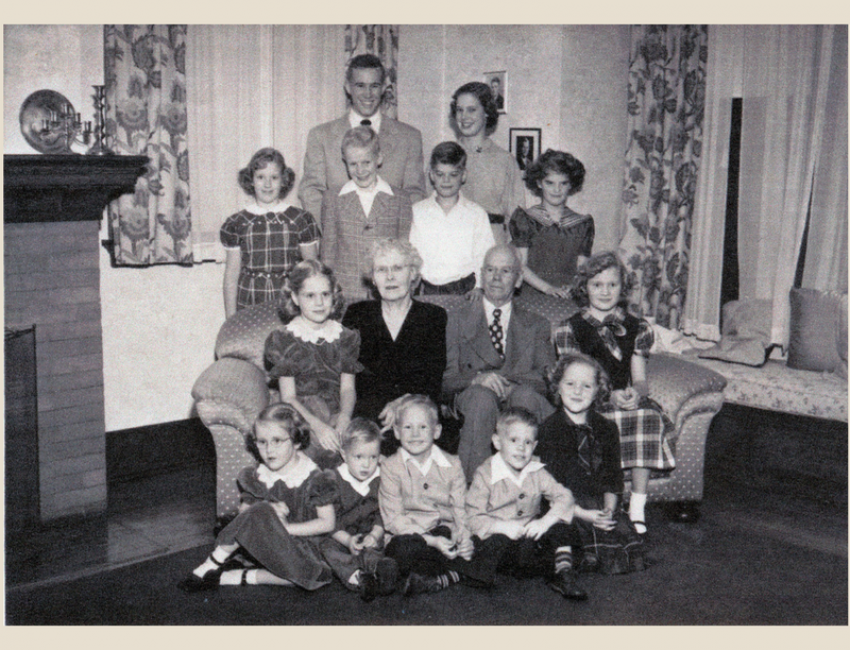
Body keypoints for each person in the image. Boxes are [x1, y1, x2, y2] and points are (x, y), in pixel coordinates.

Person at [553, 251, 676, 535]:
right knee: (604, 422)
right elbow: (575, 384)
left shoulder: (637, 327)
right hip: (588, 401)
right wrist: (608, 397)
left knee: (646, 416)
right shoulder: (570, 329)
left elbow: (640, 378)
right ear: (584, 288)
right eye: (597, 285)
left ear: (623, 288)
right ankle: (609, 501)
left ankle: (638, 504)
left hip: (625, 398)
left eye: (612, 285)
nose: (605, 292)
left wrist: (635, 392)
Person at [178, 403, 337, 592]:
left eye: (277, 440)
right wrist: (267, 509)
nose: (269, 450)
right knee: (260, 508)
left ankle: (234, 577)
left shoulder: (314, 478)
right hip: (263, 544)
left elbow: (327, 523)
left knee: (314, 577)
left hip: (302, 547)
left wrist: (286, 528)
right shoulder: (259, 474)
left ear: (296, 441)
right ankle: (213, 562)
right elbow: (244, 512)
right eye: (262, 442)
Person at [443, 244, 555, 480]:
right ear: (481, 275)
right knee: (481, 398)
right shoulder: (456, 319)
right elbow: (446, 379)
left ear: (518, 280)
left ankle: (521, 493)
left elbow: (548, 380)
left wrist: (508, 381)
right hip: (474, 398)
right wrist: (477, 379)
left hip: (520, 395)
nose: (496, 278)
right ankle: (472, 495)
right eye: (490, 270)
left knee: (523, 396)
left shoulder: (538, 324)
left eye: (505, 271)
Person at [536, 353, 646, 574]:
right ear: (557, 386)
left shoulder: (607, 428)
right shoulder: (549, 429)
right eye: (570, 383)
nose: (577, 391)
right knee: (564, 537)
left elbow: (613, 477)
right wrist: (583, 514)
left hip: (598, 501)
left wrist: (608, 509)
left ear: (598, 391)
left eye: (586, 386)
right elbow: (549, 488)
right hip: (565, 506)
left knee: (624, 539)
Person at [465, 407, 588, 600]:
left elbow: (565, 497)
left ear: (535, 445)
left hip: (529, 539)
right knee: (494, 544)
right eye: (514, 440)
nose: (521, 448)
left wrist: (545, 522)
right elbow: (472, 517)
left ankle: (564, 574)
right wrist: (501, 526)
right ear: (497, 442)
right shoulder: (485, 473)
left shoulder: (536, 471)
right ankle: (469, 574)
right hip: (501, 541)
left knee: (563, 527)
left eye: (528, 442)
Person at [342, 238, 447, 455]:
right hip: (370, 410)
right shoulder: (356, 314)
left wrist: (404, 401)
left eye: (398, 268)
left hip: (418, 408)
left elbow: (433, 376)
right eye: (381, 269)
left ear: (413, 274)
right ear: (373, 278)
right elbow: (350, 377)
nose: (390, 277)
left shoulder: (433, 316)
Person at [298, 54, 426, 221]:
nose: (368, 94)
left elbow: (415, 194)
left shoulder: (409, 137)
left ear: (383, 88)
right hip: (340, 241)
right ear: (348, 87)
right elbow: (311, 193)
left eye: (374, 86)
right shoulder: (321, 136)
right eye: (360, 85)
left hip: (390, 242)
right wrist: (332, 232)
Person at [264, 260, 363, 465]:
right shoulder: (284, 339)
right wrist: (319, 426)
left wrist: (344, 418)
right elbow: (289, 397)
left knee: (359, 445)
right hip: (300, 414)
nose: (319, 303)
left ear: (333, 296)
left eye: (325, 295)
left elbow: (347, 389)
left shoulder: (345, 337)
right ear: (295, 298)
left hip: (337, 410)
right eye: (310, 295)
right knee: (318, 448)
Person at [379, 394, 475, 595]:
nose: (415, 434)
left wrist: (464, 537)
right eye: (407, 428)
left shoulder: (452, 464)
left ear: (436, 431)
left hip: (443, 533)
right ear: (396, 432)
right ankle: (428, 575)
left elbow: (461, 508)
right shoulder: (390, 466)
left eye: (423, 427)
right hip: (408, 536)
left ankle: (418, 577)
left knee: (473, 544)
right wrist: (429, 541)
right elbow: (393, 519)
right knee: (402, 548)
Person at [220, 148, 321, 317]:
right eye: (260, 177)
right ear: (251, 180)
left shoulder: (300, 219)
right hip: (249, 300)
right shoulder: (237, 223)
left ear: (284, 180)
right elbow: (231, 277)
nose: (267, 184)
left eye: (274, 177)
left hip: (289, 301)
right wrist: (231, 320)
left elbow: (313, 271)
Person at [321, 126, 413, 301]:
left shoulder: (401, 199)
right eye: (353, 164)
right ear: (344, 161)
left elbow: (405, 252)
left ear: (378, 159)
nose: (360, 170)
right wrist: (329, 293)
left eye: (366, 162)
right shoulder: (332, 198)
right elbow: (328, 254)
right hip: (345, 295)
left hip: (387, 294)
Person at [317, 418, 399, 601]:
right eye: (359, 457)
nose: (366, 464)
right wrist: (347, 540)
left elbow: (382, 513)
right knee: (327, 548)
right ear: (344, 455)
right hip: (339, 534)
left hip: (369, 532)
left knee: (376, 548)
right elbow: (331, 520)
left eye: (373, 457)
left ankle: (381, 571)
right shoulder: (333, 479)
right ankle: (358, 578)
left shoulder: (381, 478)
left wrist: (375, 535)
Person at [408, 141, 495, 295]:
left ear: (463, 175)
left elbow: (485, 255)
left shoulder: (476, 214)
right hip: (427, 289)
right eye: (440, 174)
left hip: (466, 289)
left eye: (453, 174)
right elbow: (412, 255)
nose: (446, 181)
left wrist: (479, 287)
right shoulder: (417, 212)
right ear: (431, 175)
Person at [509, 150, 594, 303]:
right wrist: (548, 289)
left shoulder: (582, 224)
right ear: (539, 183)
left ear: (571, 184)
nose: (557, 190)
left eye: (563, 183)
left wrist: (571, 288)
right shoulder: (525, 219)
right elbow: (520, 265)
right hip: (532, 294)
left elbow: (582, 269)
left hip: (569, 295)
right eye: (550, 183)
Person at [449, 81, 525, 244]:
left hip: (491, 245)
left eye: (472, 110)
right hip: (451, 241)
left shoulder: (504, 160)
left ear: (487, 113)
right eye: (460, 110)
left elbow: (517, 219)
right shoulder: (445, 156)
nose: (464, 117)